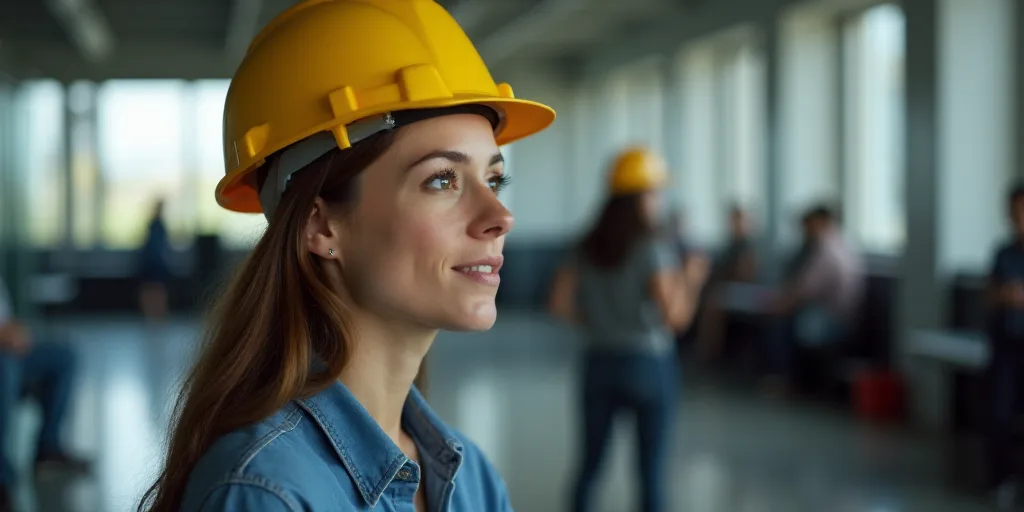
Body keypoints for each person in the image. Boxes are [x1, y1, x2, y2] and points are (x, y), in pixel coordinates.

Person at [137, 1, 555, 511]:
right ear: (320, 225)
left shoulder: (474, 482)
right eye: (442, 180)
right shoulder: (267, 494)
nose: (499, 216)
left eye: (494, 179)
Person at [548, 147, 709, 512]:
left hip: (599, 361)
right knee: (650, 471)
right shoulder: (653, 247)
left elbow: (558, 304)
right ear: (642, 197)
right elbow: (676, 318)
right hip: (648, 364)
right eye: (656, 192)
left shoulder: (586, 244)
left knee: (590, 465)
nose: (659, 201)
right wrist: (693, 279)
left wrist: (599, 321)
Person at [0, 277, 90, 512]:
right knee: (5, 369)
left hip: (9, 349)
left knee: (64, 357)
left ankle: (48, 449)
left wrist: (17, 332)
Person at [764, 204, 863, 395]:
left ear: (821, 223)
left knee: (782, 323)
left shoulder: (825, 251)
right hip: (840, 314)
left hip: (834, 319)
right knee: (787, 317)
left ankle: (788, 380)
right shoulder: (842, 245)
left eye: (808, 225)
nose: (805, 231)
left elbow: (804, 290)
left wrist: (780, 305)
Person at [985, 184, 1024, 509]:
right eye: (1013, 211)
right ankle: (1002, 480)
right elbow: (989, 296)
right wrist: (1005, 296)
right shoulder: (1003, 253)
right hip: (1006, 347)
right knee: (999, 414)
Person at [137, 198, 173, 322]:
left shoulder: (156, 225)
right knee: (153, 288)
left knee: (155, 288)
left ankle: (155, 313)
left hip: (155, 262)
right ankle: (152, 312)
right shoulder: (155, 225)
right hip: (153, 261)